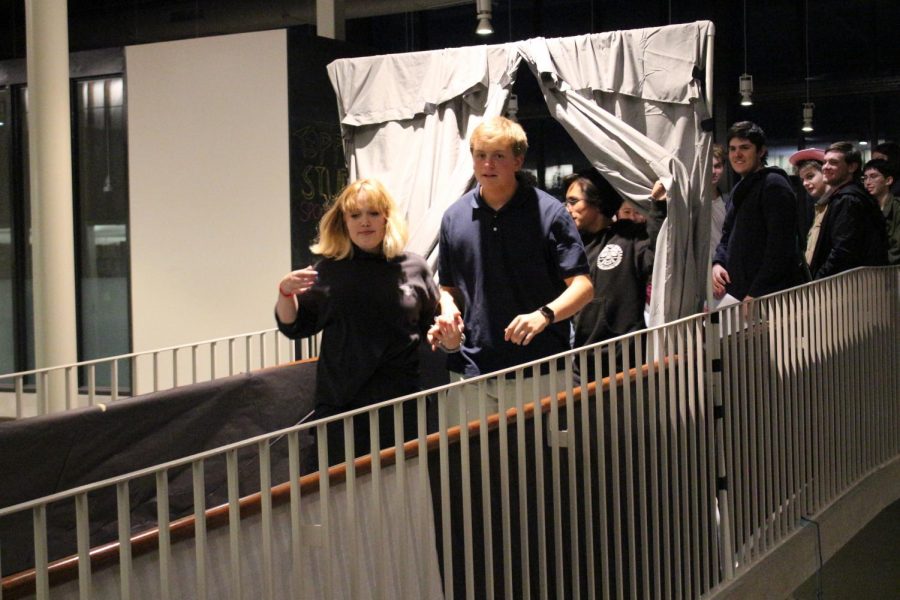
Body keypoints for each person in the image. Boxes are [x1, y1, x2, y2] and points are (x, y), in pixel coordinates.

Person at [275, 178, 447, 467]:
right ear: (344, 222)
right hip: (343, 406)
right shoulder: (328, 271)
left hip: (402, 403)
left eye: (373, 213)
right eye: (355, 215)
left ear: (386, 218)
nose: (364, 222)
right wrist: (285, 292)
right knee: (343, 496)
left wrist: (450, 335)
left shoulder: (415, 267)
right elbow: (294, 326)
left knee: (403, 490)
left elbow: (432, 326)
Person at [429, 116, 592, 420]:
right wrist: (448, 308)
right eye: (480, 155)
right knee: (471, 463)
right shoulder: (454, 217)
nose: (487, 164)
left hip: (538, 367)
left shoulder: (551, 213)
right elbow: (447, 287)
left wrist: (544, 315)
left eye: (498, 156)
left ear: (517, 161)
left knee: (541, 463)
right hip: (471, 369)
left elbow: (583, 287)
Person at [563, 168, 667, 379]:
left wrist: (658, 207)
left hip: (626, 359)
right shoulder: (571, 246)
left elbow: (658, 257)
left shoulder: (627, 235)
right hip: (582, 361)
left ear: (597, 202)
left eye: (573, 202)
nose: (567, 209)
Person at [712, 121, 805, 302]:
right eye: (732, 149)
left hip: (767, 297)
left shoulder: (774, 184)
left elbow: (780, 247)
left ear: (761, 151)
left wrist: (757, 291)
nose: (737, 154)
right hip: (738, 294)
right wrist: (718, 263)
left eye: (744, 147)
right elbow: (727, 235)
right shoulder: (738, 189)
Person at [808, 142, 888, 278]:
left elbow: (843, 251)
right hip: (859, 284)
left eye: (833, 162)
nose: (826, 167)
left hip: (847, 287)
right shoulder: (855, 195)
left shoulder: (848, 199)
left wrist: (817, 280)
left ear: (852, 167)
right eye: (825, 162)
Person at [862, 158, 900, 265]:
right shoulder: (866, 207)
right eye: (865, 178)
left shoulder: (897, 207)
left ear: (888, 180)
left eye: (874, 176)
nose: (868, 182)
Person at [789, 147, 828, 242]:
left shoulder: (839, 202)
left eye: (810, 176)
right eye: (802, 179)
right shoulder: (820, 205)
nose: (805, 183)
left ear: (825, 173)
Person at [710, 143, 730, 254]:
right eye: (708, 166)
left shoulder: (728, 202)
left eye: (717, 166)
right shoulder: (692, 203)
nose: (713, 171)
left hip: (722, 266)